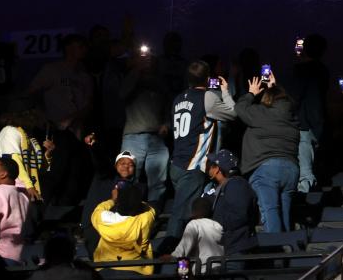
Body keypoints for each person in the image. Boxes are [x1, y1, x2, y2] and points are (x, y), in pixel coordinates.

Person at [162, 61, 236, 250]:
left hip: (176, 164)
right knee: (181, 214)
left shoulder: (178, 98)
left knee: (197, 210)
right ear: (207, 77)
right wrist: (225, 91)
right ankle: (168, 253)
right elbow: (233, 113)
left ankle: (191, 252)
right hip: (192, 165)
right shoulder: (207, 96)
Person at [237, 75, 300, 233]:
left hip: (266, 170)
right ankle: (287, 254)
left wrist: (251, 93)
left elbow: (239, 108)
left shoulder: (261, 113)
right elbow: (287, 102)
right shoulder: (292, 117)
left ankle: (276, 253)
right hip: (291, 171)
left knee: (270, 212)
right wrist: (274, 87)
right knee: (285, 217)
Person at [120, 49, 171, 209]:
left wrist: (167, 124)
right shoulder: (130, 79)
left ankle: (152, 218)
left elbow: (169, 107)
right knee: (128, 178)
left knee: (158, 183)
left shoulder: (160, 83)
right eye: (143, 59)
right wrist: (137, 69)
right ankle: (125, 215)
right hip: (133, 137)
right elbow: (121, 94)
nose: (147, 62)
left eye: (150, 59)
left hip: (157, 139)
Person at [286, 33, 329, 193]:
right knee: (307, 168)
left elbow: (295, 98)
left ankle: (303, 206)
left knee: (304, 172)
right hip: (314, 125)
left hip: (303, 126)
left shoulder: (302, 71)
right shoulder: (322, 70)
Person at [81, 148, 141, 257]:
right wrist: (94, 146)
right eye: (122, 163)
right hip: (94, 227)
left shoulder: (137, 188)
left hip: (117, 231)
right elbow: (100, 163)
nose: (126, 166)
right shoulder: (105, 177)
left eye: (130, 165)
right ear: (115, 166)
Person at [28, 33, 93, 129]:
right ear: (68, 48)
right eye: (80, 46)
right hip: (54, 128)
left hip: (77, 129)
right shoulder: (52, 70)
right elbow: (32, 92)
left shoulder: (85, 76)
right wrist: (42, 116)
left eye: (85, 47)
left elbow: (89, 104)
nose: (84, 50)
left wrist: (73, 118)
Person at [90, 182, 156, 275]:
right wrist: (134, 198)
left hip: (105, 268)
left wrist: (113, 199)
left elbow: (98, 210)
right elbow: (149, 208)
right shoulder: (146, 218)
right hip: (137, 268)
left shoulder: (103, 218)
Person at [0, 96, 45, 202]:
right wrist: (29, 186)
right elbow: (15, 160)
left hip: (19, 190)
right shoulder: (10, 131)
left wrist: (48, 153)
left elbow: (40, 168)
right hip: (8, 190)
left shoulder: (28, 137)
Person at [206, 150, 258, 259]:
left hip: (235, 249)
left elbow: (238, 215)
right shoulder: (221, 187)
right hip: (224, 248)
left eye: (211, 165)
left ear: (217, 169)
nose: (208, 168)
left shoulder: (236, 184)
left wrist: (214, 227)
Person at [159, 197, 223, 272]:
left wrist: (172, 256)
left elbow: (184, 247)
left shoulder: (194, 224)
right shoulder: (218, 226)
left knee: (182, 265)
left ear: (193, 211)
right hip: (219, 269)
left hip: (203, 271)